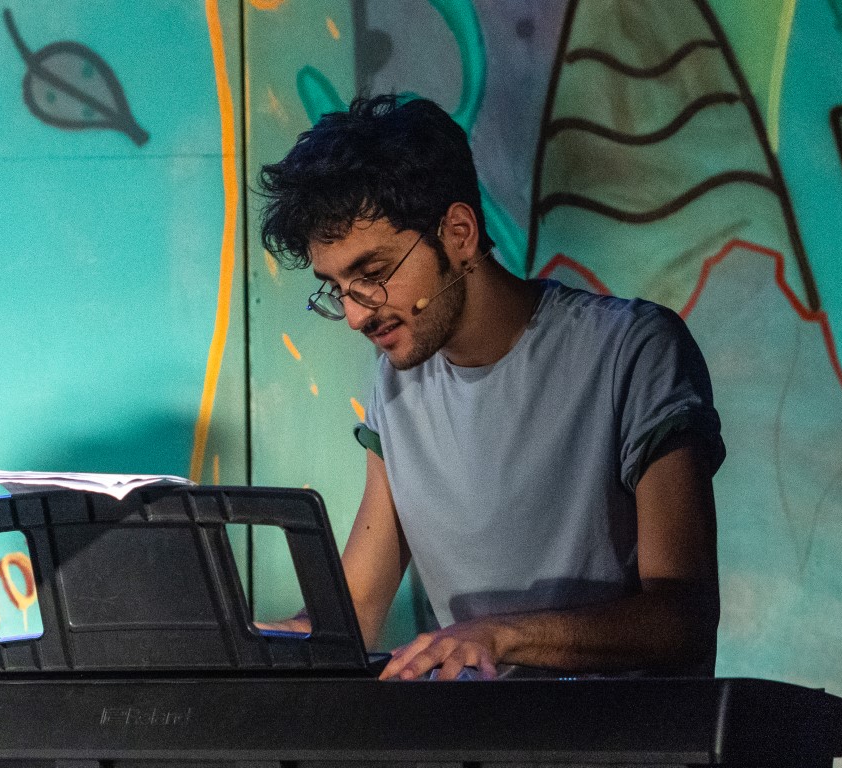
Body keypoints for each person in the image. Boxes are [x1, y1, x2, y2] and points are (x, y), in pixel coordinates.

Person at [256, 95, 725, 680]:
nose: (355, 314)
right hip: (479, 732)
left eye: (372, 275)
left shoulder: (633, 350)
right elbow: (355, 612)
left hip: (624, 731)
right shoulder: (395, 385)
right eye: (337, 288)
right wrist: (253, 642)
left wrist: (499, 637)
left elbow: (683, 618)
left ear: (458, 233)